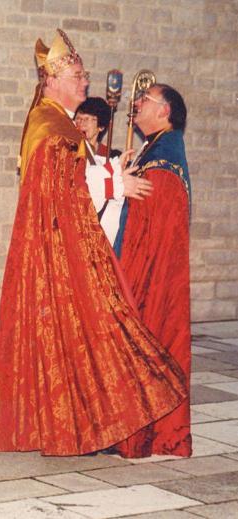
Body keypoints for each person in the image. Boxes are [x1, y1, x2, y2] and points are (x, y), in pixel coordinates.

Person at [0, 29, 188, 457]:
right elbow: (58, 183)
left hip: (61, 246)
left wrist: (111, 169)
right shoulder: (50, 122)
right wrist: (115, 183)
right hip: (57, 252)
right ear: (52, 79)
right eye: (77, 73)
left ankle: (78, 421)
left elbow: (74, 173)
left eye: (83, 73)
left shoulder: (56, 119)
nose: (85, 80)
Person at [113, 84, 192, 458]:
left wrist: (125, 280)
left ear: (164, 111)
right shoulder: (156, 148)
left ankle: (139, 434)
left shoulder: (164, 162)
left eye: (144, 101)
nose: (136, 105)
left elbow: (149, 233)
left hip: (147, 280)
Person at [75, 96, 153, 245]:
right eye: (78, 119)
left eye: (87, 119)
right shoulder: (72, 152)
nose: (81, 124)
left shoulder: (113, 156)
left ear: (101, 127)